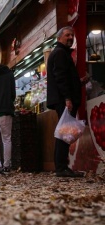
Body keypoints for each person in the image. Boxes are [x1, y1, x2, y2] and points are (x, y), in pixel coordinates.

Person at [47, 26, 87, 178]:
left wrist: (79, 82)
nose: (70, 37)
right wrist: (67, 98)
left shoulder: (60, 53)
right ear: (59, 38)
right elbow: (61, 77)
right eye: (67, 35)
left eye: (72, 35)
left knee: (64, 134)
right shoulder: (60, 53)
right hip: (63, 100)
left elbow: (65, 78)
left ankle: (62, 167)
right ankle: (61, 168)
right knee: (64, 135)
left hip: (62, 99)